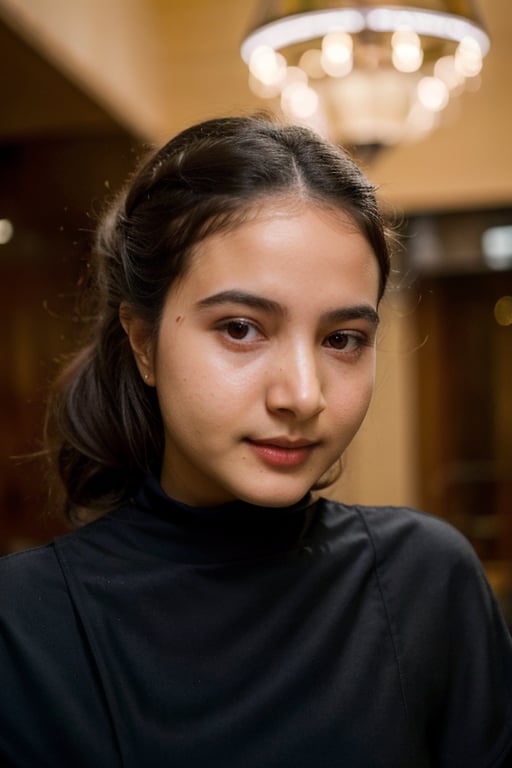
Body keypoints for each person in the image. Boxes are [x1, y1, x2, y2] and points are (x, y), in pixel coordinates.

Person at [0, 115, 511, 768]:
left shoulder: (427, 582)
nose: (302, 395)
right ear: (143, 341)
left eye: (342, 339)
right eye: (241, 328)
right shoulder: (25, 624)